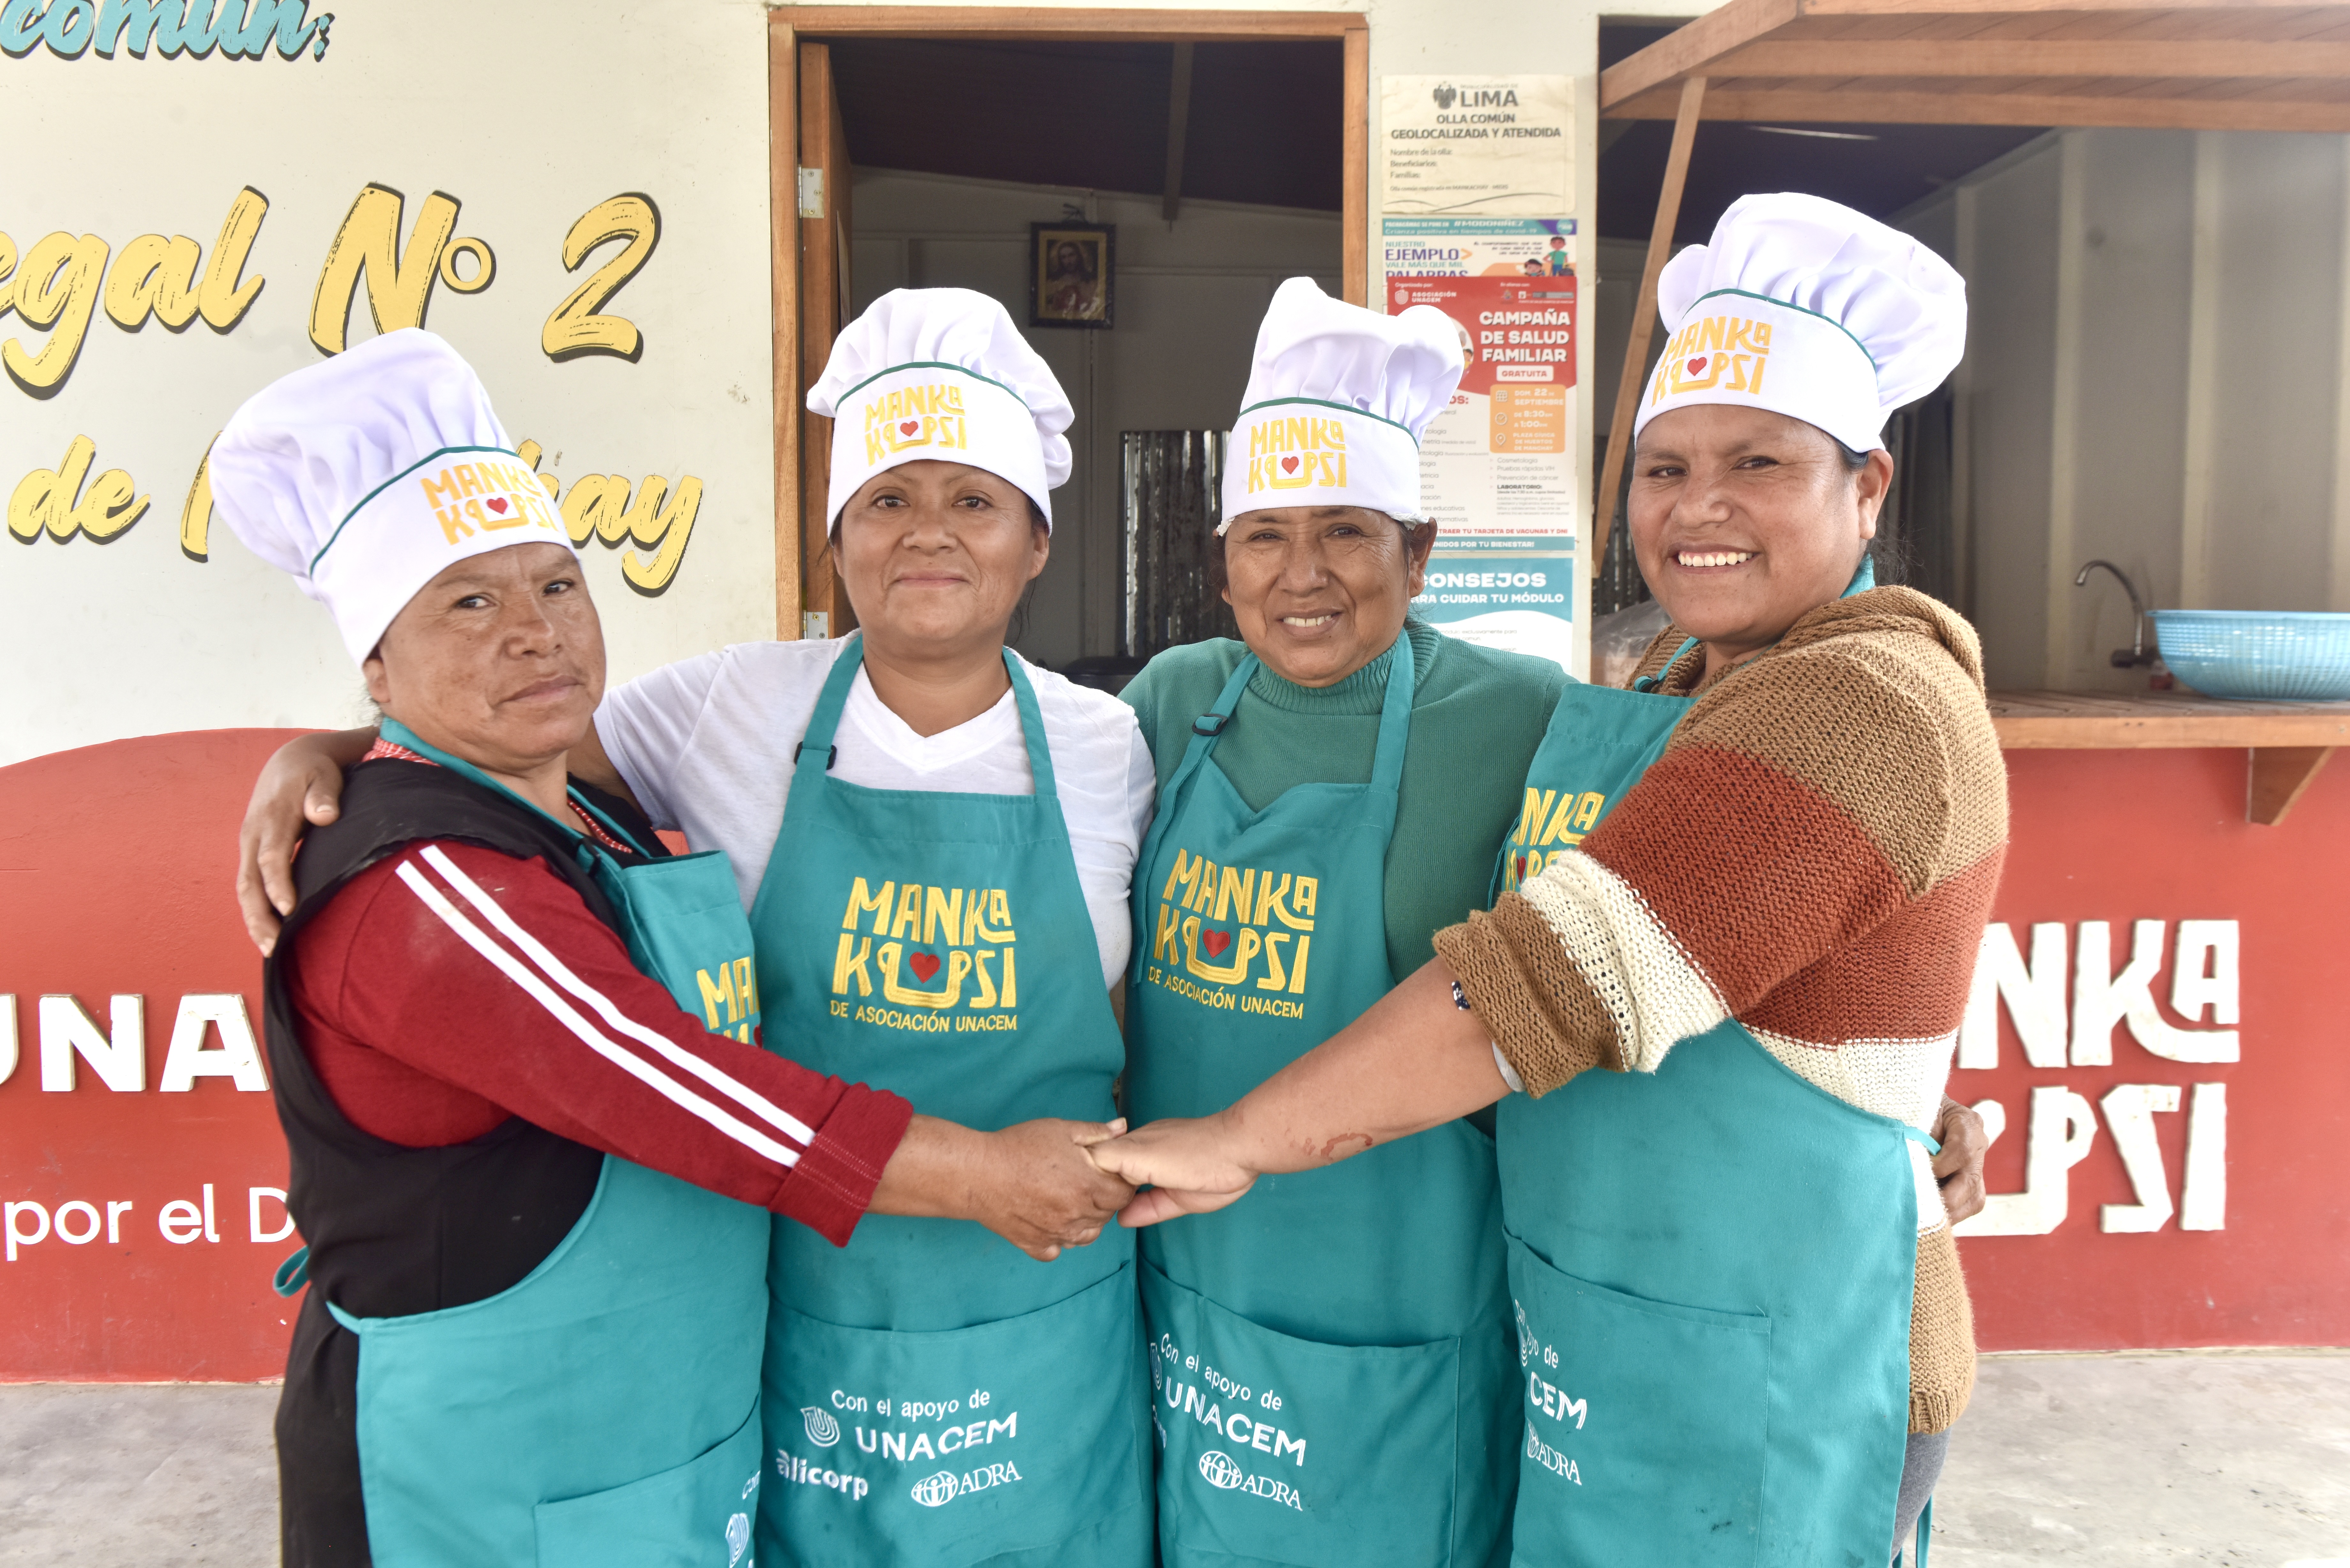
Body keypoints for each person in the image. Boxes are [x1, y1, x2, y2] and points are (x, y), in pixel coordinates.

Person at [1094, 195, 1999, 1568]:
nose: (1698, 506)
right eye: (1661, 467)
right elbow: (1844, 936)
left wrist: (1233, 1140)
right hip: (1625, 1322)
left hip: (1776, 1356)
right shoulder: (1674, 685)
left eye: (1757, 462)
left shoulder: (1859, 700)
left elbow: (1538, 982)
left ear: (1865, 485)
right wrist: (1914, 1087)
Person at [236, 292, 1159, 1568]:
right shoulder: (445, 872)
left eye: (558, 584)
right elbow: (679, 1087)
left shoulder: (1112, 740)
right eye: (463, 605)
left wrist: (347, 745)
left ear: (1039, 541)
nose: (534, 633)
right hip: (518, 1442)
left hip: (744, 1397)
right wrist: (330, 751)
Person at [1116, 278, 1573, 1568]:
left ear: (1417, 554)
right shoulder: (1167, 703)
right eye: (1262, 535)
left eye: (1346, 533)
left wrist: (1911, 1103)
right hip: (1188, 1262)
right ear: (1221, 563)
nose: (1300, 575)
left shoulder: (1522, 712)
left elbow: (1700, 904)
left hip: (1405, 1280)